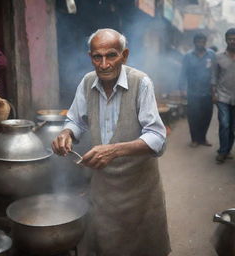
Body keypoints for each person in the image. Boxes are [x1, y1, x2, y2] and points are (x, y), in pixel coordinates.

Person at [52, 28, 171, 256]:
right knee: (106, 246)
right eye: (97, 57)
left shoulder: (141, 83)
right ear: (91, 57)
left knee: (142, 247)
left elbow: (157, 138)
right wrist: (67, 133)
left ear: (124, 56)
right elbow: (76, 120)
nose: (104, 64)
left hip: (140, 191)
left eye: (111, 55)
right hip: (103, 190)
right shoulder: (87, 82)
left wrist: (115, 150)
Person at [179, 33, 216, 147]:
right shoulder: (188, 56)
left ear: (206, 42)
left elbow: (214, 73)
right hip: (193, 91)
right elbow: (183, 73)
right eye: (198, 41)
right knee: (193, 116)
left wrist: (214, 90)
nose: (201, 43)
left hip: (207, 92)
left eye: (203, 41)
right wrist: (182, 89)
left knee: (207, 116)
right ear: (194, 42)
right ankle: (194, 139)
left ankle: (203, 138)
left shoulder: (211, 55)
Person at [212, 28, 235, 164]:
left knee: (232, 127)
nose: (232, 41)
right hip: (223, 96)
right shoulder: (218, 57)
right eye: (230, 39)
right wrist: (213, 93)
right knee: (225, 124)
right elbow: (213, 76)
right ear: (226, 40)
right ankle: (222, 151)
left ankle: (227, 150)